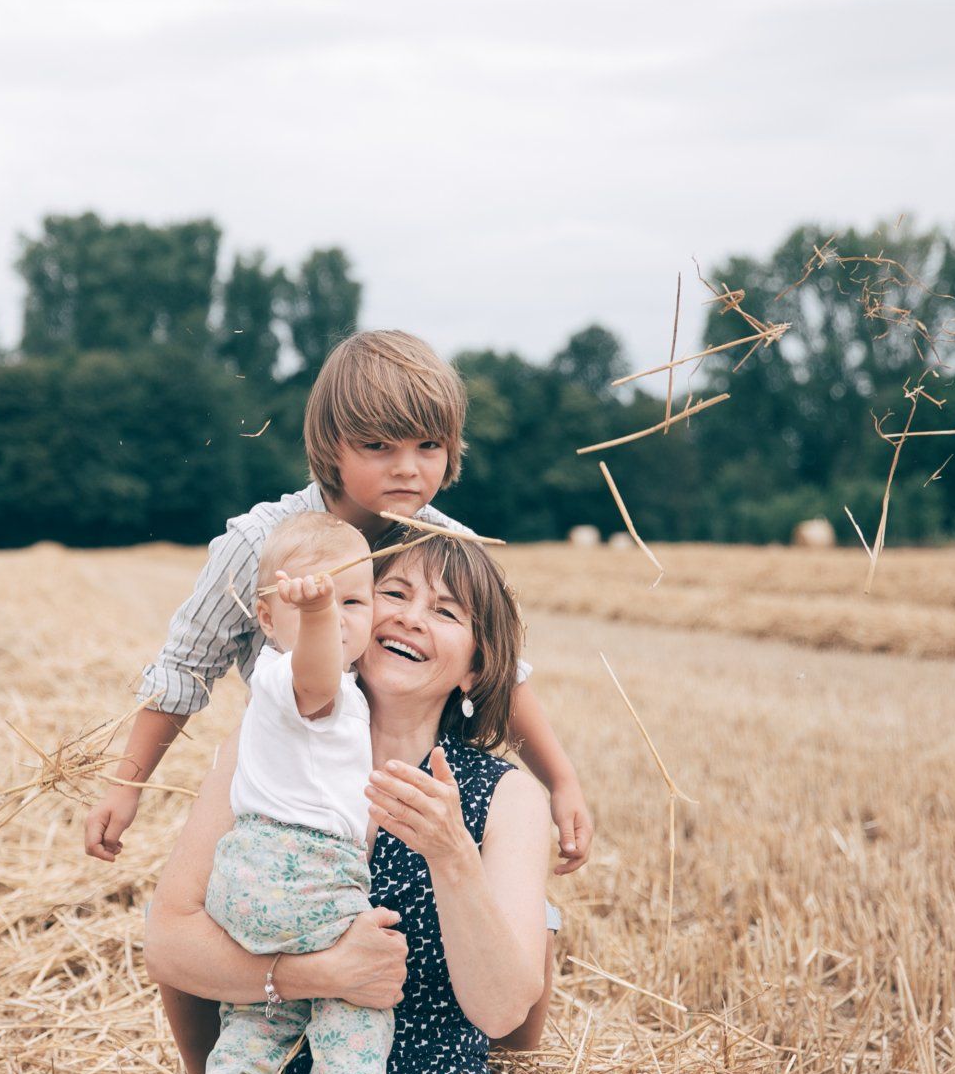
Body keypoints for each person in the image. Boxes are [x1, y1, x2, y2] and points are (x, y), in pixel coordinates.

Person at [0, 538, 589, 1074]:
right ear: (354, 611)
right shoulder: (263, 746)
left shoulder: (505, 795)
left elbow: (503, 1011)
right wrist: (318, 973)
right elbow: (169, 944)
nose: (410, 618)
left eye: (445, 612)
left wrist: (452, 856)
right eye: (394, 594)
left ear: (476, 669)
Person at [84, 330, 595, 878]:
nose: (407, 468)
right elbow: (186, 668)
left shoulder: (449, 549)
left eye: (428, 445)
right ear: (331, 447)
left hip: (408, 799)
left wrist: (561, 781)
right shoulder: (259, 544)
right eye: (379, 446)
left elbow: (499, 670)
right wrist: (126, 785)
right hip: (293, 800)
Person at [199, 512, 385, 1074]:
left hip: (249, 871)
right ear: (267, 619)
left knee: (264, 1008)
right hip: (301, 868)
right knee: (357, 985)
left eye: (354, 601)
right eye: (310, 601)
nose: (336, 615)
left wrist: (312, 609)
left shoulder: (323, 693)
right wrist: (319, 616)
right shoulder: (287, 676)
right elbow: (317, 671)